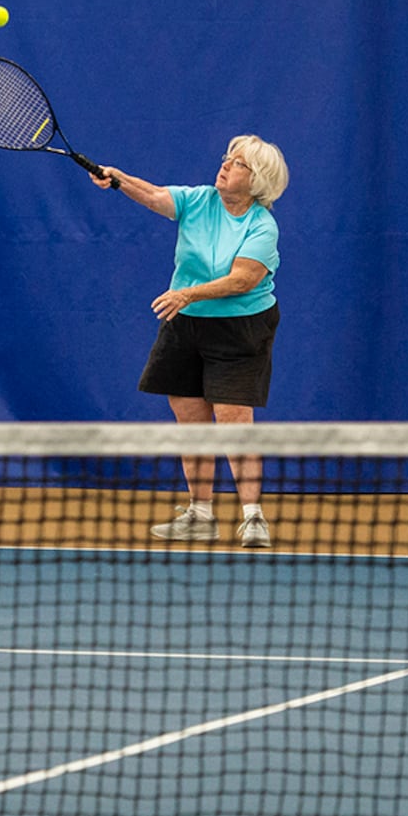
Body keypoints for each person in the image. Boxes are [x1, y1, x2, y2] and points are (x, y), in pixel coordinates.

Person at [93, 135, 289, 549]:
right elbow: (153, 195)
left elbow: (243, 280)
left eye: (238, 164)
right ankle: (200, 514)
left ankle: (253, 518)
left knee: (234, 421)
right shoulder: (200, 200)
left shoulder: (261, 226)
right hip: (184, 326)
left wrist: (187, 293)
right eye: (227, 158)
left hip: (239, 329)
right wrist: (118, 178)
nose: (225, 166)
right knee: (190, 420)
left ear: (257, 181)